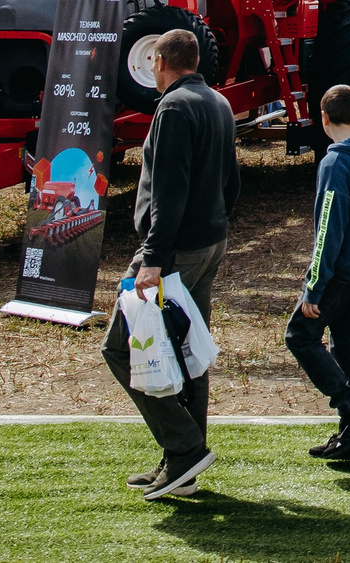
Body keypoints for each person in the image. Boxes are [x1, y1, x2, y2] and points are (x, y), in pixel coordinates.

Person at [104, 29, 240, 501]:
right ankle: (183, 460)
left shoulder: (174, 107)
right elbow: (231, 179)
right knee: (188, 352)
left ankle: (184, 449)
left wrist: (153, 259)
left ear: (160, 60)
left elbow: (168, 189)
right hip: (208, 243)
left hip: (174, 252)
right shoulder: (218, 103)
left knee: (122, 348)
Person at [286, 84, 350, 461]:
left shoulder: (335, 162)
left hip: (341, 270)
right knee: (345, 347)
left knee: (300, 335)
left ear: (323, 119)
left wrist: (314, 286)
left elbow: (328, 227)